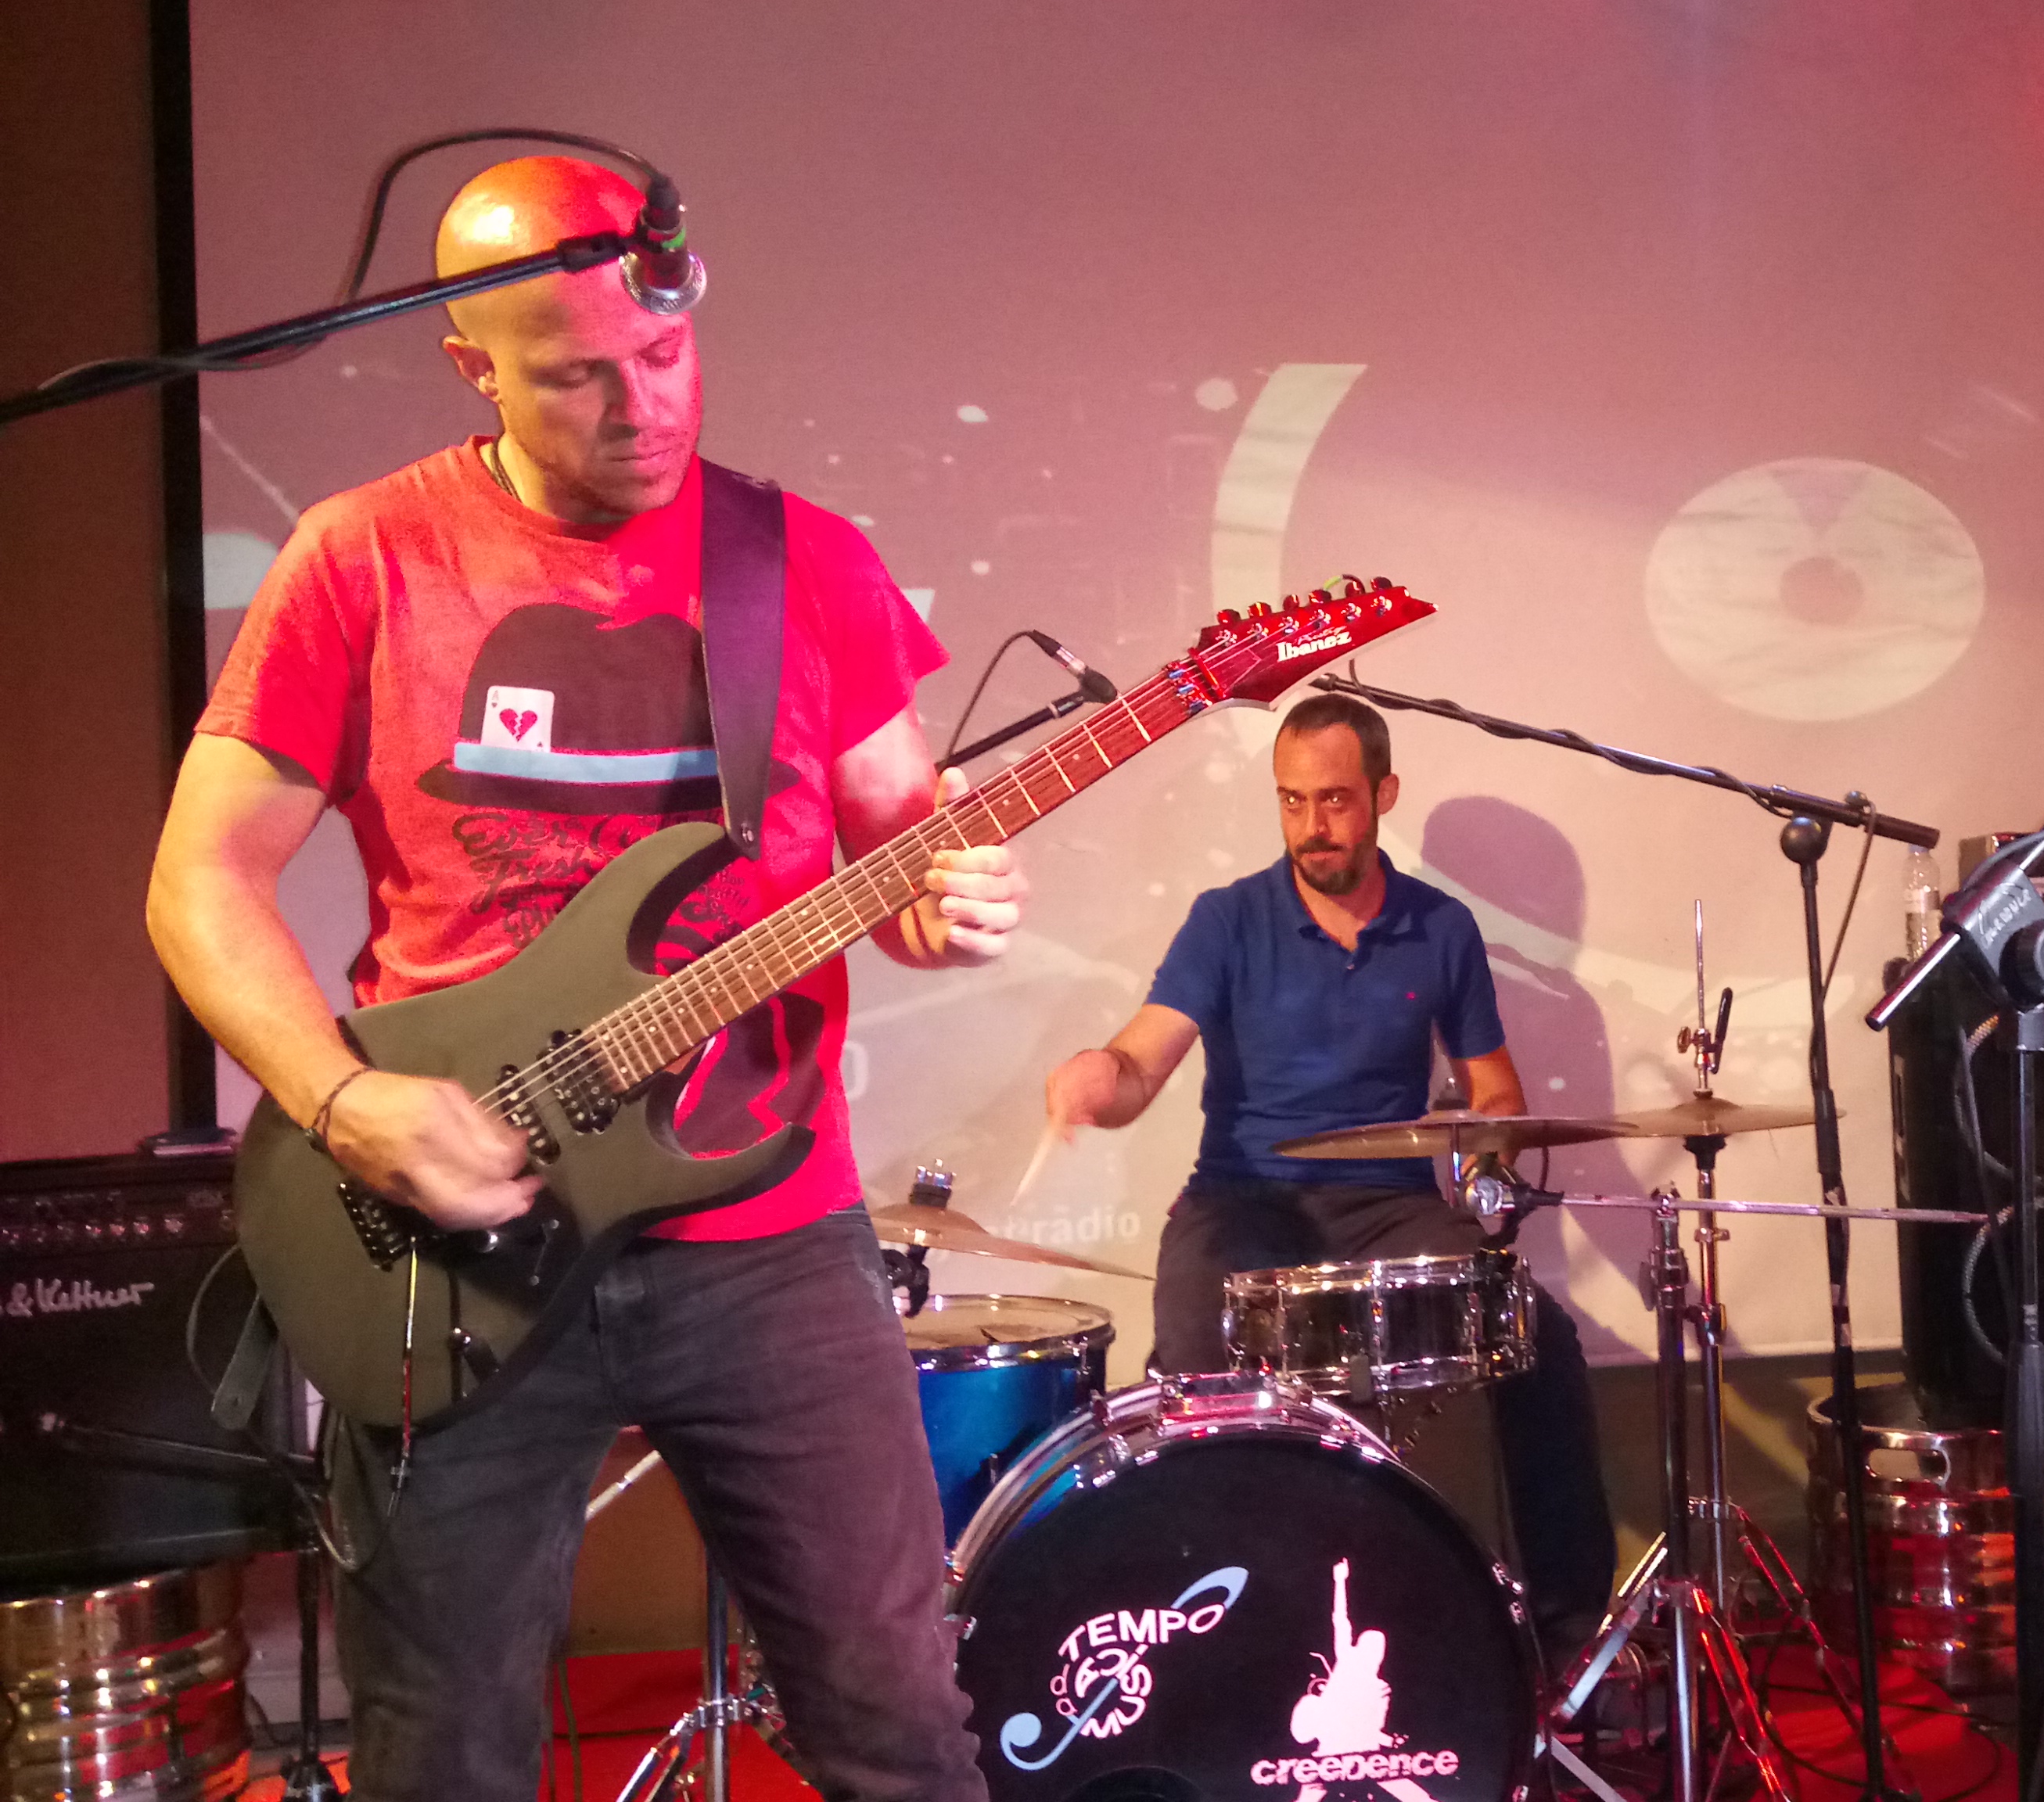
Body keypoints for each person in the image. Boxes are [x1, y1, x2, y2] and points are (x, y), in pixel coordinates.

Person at [146, 157, 1022, 1800]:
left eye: (666, 352)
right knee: (445, 1751)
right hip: (454, 1249)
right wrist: (341, 1101)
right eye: (576, 376)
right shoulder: (361, 555)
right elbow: (200, 877)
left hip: (769, 1240)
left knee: (899, 1732)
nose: (644, 406)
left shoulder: (805, 560)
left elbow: (900, 855)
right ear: (471, 365)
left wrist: (943, 905)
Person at [1044, 694, 1618, 1651]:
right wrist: (1099, 1077)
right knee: (1195, 1369)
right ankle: (1204, 1636)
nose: (1313, 825)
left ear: (1383, 794)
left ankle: (1557, 1640)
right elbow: (1140, 1062)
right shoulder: (1228, 919)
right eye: (1293, 801)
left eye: (1336, 800)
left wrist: (1484, 1153)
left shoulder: (1441, 927)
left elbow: (1495, 1092)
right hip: (1243, 1201)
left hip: (1391, 1205)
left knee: (1537, 1339)